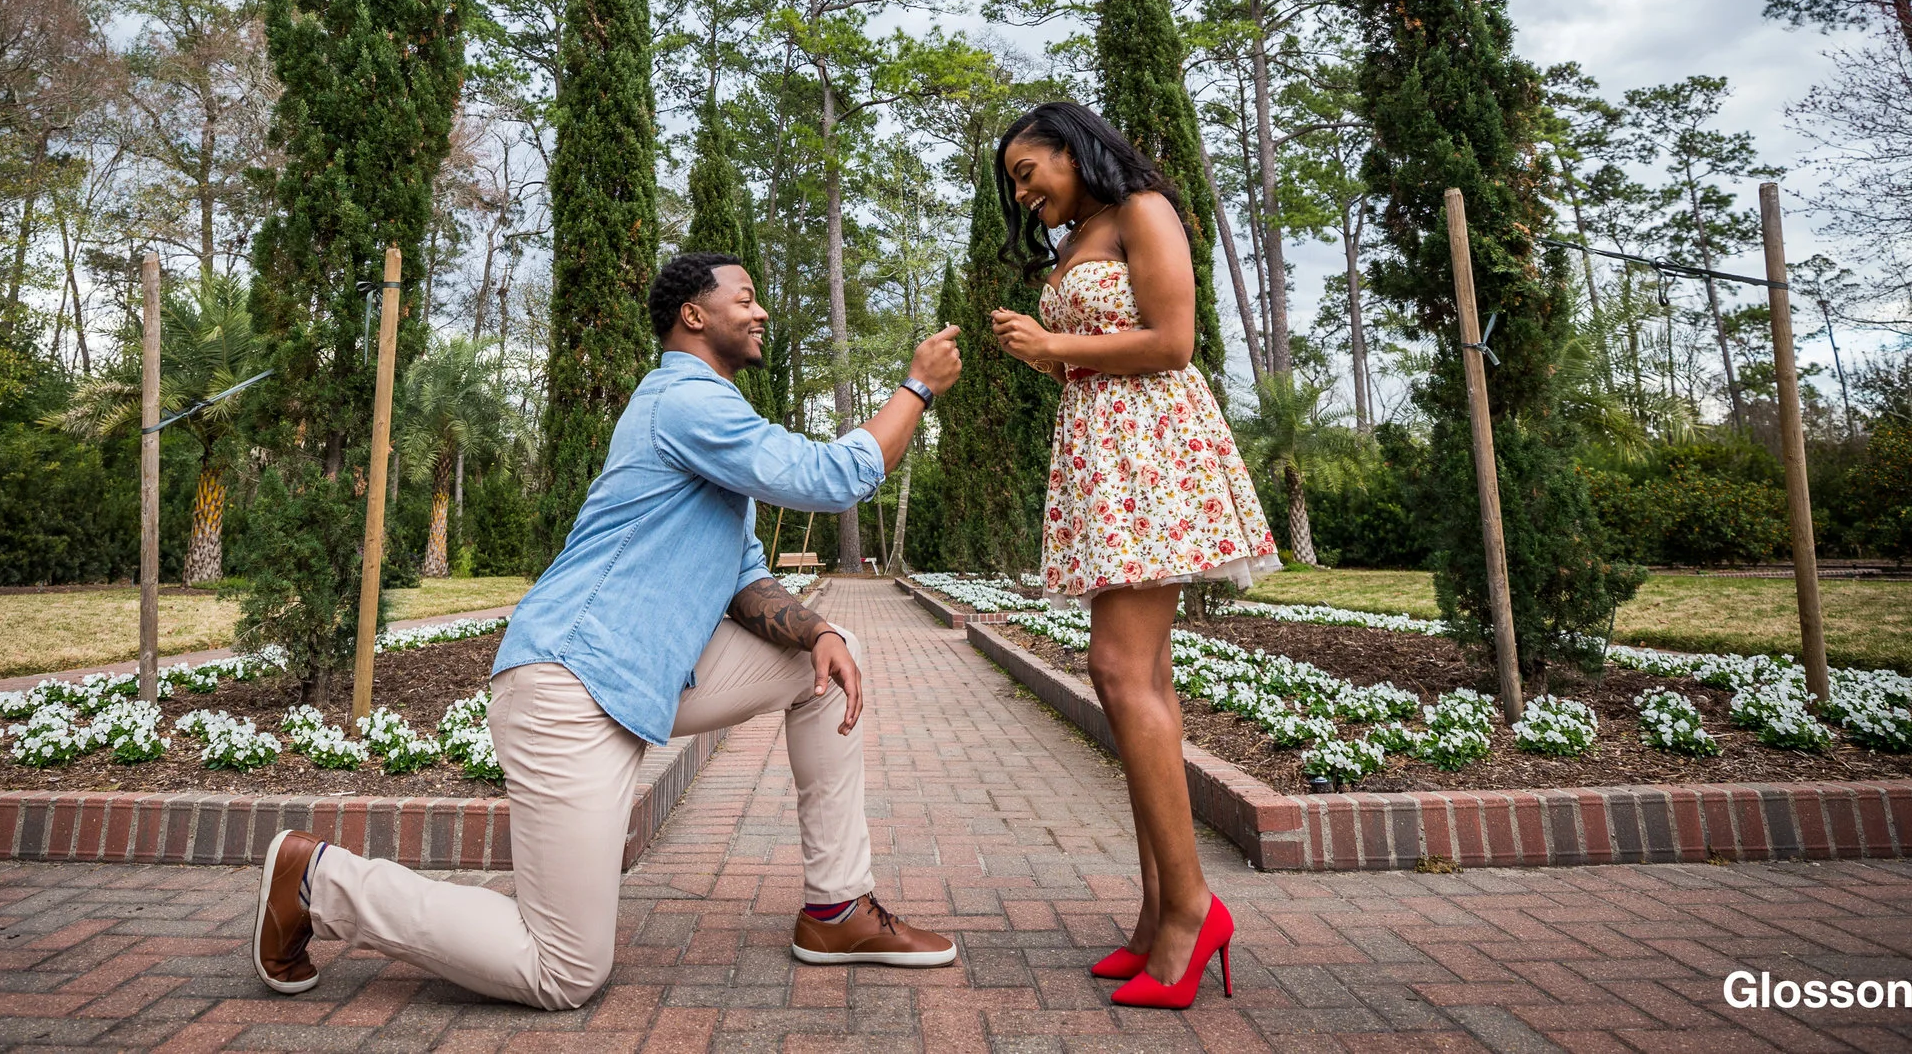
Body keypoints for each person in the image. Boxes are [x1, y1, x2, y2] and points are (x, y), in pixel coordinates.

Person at [251, 251, 965, 1008]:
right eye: (745, 298)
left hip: (638, 681)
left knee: (833, 659)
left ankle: (837, 909)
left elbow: (745, 581)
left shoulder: (712, 429)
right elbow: (834, 476)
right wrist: (916, 387)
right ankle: (317, 880)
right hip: (571, 686)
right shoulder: (683, 400)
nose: (760, 313)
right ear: (693, 314)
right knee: (563, 970)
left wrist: (814, 628)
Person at [988, 101, 1281, 1011]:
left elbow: (1173, 339)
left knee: (1117, 670)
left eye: (1029, 169)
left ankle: (1192, 908)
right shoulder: (1086, 232)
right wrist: (1050, 358)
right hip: (1105, 453)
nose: (1022, 190)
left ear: (1073, 150)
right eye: (1012, 182)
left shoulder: (1147, 210)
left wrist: (1055, 344)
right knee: (1143, 675)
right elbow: (1096, 351)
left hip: (1152, 453)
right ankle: (1158, 912)